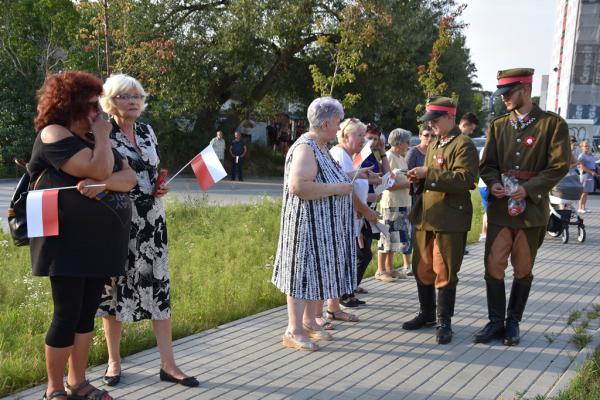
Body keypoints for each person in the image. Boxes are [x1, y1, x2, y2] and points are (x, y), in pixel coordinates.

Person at [29, 71, 136, 400]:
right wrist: (104, 141)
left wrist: (103, 181)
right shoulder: (53, 134)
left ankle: (77, 382)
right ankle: (54, 388)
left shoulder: (92, 140)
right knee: (66, 312)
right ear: (71, 104)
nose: (98, 112)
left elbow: (128, 177)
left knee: (87, 310)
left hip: (98, 242)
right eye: (92, 105)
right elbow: (98, 169)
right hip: (62, 240)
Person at [97, 74, 199, 387]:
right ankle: (114, 362)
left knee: (158, 288)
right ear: (110, 101)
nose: (133, 102)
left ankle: (168, 365)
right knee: (115, 292)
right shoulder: (102, 132)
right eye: (125, 96)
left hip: (153, 222)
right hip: (119, 221)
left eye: (137, 96)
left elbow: (151, 169)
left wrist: (160, 185)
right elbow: (100, 172)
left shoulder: (146, 130)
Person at [475, 68, 570, 346]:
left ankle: (513, 323)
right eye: (502, 94)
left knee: (523, 268)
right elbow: (487, 164)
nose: (504, 99)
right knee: (493, 265)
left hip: (531, 210)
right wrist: (492, 182)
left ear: (525, 90)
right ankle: (495, 322)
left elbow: (559, 166)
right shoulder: (499, 125)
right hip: (501, 209)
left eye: (508, 93)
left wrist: (528, 189)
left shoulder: (552, 125)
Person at [271, 97, 355, 351]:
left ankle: (309, 322)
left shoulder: (321, 146)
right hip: (305, 228)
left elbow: (327, 176)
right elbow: (299, 186)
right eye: (338, 123)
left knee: (313, 274)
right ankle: (293, 330)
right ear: (326, 123)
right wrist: (338, 188)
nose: (340, 128)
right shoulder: (306, 147)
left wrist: (356, 176)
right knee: (300, 275)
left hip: (321, 228)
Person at [402, 96, 478, 345]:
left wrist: (429, 174)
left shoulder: (463, 144)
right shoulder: (435, 143)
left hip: (450, 218)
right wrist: (420, 178)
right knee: (421, 268)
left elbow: (466, 179)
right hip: (427, 214)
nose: (431, 125)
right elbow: (433, 178)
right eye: (429, 121)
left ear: (450, 117)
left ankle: (444, 321)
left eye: (435, 120)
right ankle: (427, 314)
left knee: (444, 270)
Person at [328, 118, 380, 310]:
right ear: (344, 135)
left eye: (363, 136)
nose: (363, 140)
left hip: (350, 219)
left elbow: (349, 181)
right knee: (339, 262)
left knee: (345, 260)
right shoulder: (340, 154)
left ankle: (336, 306)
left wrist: (361, 174)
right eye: (359, 135)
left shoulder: (347, 157)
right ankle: (333, 307)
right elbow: (347, 191)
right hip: (343, 219)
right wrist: (365, 211)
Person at [377, 129, 412, 282]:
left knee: (395, 238)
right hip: (391, 203)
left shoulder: (401, 157)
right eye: (407, 142)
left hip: (403, 202)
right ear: (398, 142)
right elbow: (386, 184)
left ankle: (390, 268)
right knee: (387, 237)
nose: (408, 145)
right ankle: (380, 270)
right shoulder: (389, 157)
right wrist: (406, 184)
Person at [577, 140, 597, 213]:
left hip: (590, 175)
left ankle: (583, 207)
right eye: (585, 146)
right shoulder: (581, 155)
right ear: (581, 147)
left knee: (586, 192)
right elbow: (581, 166)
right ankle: (580, 208)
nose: (587, 147)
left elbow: (593, 164)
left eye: (588, 146)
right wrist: (591, 172)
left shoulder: (590, 155)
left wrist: (597, 167)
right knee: (583, 192)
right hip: (585, 174)